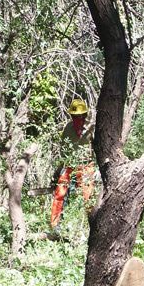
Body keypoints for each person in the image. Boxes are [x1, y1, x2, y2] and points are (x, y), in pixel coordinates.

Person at [51, 98, 94, 228]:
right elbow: (63, 149)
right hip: (69, 165)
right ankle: (55, 225)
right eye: (75, 116)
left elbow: (99, 147)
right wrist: (59, 169)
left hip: (86, 166)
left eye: (81, 115)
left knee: (88, 196)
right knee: (60, 194)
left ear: (85, 115)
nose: (78, 118)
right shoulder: (68, 128)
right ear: (71, 115)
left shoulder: (91, 128)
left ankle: (93, 226)